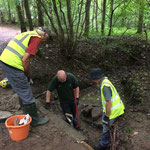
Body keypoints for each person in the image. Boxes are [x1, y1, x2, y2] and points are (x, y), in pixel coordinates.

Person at [0, 27, 52, 127]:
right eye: (45, 40)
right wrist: (27, 74)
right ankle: (34, 120)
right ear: (44, 34)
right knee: (26, 91)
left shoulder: (28, 34)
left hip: (5, 61)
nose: (43, 42)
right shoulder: (36, 38)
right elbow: (25, 60)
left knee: (20, 89)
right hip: (13, 64)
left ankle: (26, 113)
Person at [89, 68, 125, 150]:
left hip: (114, 111)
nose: (93, 81)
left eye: (93, 79)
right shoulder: (106, 81)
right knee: (105, 125)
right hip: (118, 108)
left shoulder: (105, 86)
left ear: (97, 78)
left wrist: (106, 117)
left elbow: (108, 103)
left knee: (105, 126)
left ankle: (103, 144)